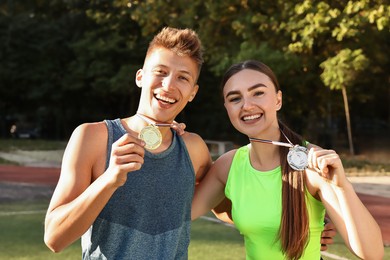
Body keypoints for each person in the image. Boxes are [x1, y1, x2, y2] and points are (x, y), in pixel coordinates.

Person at [44, 27, 212, 259]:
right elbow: (54, 238)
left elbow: (228, 204)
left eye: (182, 77)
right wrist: (110, 179)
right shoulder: (92, 138)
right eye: (161, 71)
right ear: (140, 77)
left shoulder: (194, 149)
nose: (169, 85)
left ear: (192, 92)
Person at [191, 60, 384, 260]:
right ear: (227, 108)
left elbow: (373, 254)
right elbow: (180, 214)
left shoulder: (313, 163)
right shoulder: (227, 166)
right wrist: (173, 138)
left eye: (258, 93)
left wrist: (343, 187)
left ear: (278, 100)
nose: (247, 105)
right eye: (235, 98)